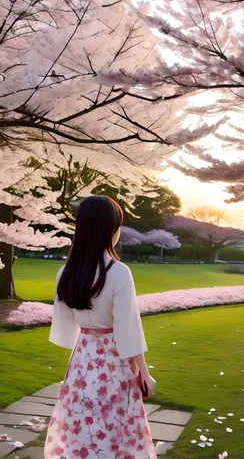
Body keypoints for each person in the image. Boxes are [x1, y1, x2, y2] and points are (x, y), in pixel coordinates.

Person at [44, 195, 157, 459]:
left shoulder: (66, 272)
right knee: (114, 430)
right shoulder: (118, 272)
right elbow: (128, 330)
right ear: (109, 230)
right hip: (113, 363)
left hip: (82, 360)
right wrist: (145, 373)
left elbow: (65, 323)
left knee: (81, 429)